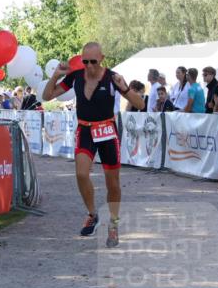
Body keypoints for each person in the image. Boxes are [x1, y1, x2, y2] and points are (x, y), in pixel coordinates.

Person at [43, 42, 145, 247]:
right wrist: (56, 75)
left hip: (107, 130)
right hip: (85, 129)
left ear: (102, 58)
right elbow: (47, 96)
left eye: (93, 61)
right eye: (85, 61)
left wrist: (124, 87)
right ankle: (92, 214)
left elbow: (141, 104)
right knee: (81, 174)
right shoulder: (75, 76)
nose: (89, 66)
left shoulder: (112, 77)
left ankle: (114, 225)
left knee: (113, 183)